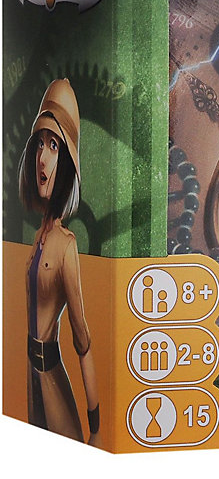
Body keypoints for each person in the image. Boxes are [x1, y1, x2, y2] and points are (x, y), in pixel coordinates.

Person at [18, 78, 100, 444]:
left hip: (51, 375)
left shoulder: (66, 246)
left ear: (66, 162)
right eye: (40, 142)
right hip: (30, 376)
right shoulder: (38, 238)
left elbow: (82, 338)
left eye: (54, 145)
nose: (43, 156)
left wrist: (97, 427)